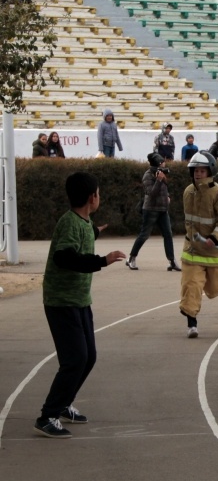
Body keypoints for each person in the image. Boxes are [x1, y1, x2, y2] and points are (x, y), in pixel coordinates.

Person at [34, 172, 126, 438]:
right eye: (98, 193)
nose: (100, 197)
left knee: (89, 357)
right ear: (92, 197)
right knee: (75, 359)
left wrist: (95, 232)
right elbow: (65, 257)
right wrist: (102, 260)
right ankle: (47, 415)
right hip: (61, 301)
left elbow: (82, 238)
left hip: (80, 301)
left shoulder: (84, 222)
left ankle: (63, 405)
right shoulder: (69, 223)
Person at [180, 151, 218, 338]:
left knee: (214, 288)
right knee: (191, 285)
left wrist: (213, 239)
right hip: (193, 250)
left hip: (214, 251)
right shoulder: (188, 192)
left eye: (202, 171)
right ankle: (191, 322)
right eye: (195, 170)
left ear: (210, 171)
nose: (198, 174)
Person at [126, 153, 180, 271]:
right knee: (144, 235)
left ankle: (172, 261)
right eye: (163, 162)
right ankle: (132, 258)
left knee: (168, 234)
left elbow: (164, 189)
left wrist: (168, 196)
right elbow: (151, 193)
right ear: (159, 163)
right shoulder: (148, 175)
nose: (165, 164)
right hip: (150, 209)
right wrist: (159, 180)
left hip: (163, 209)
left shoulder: (162, 173)